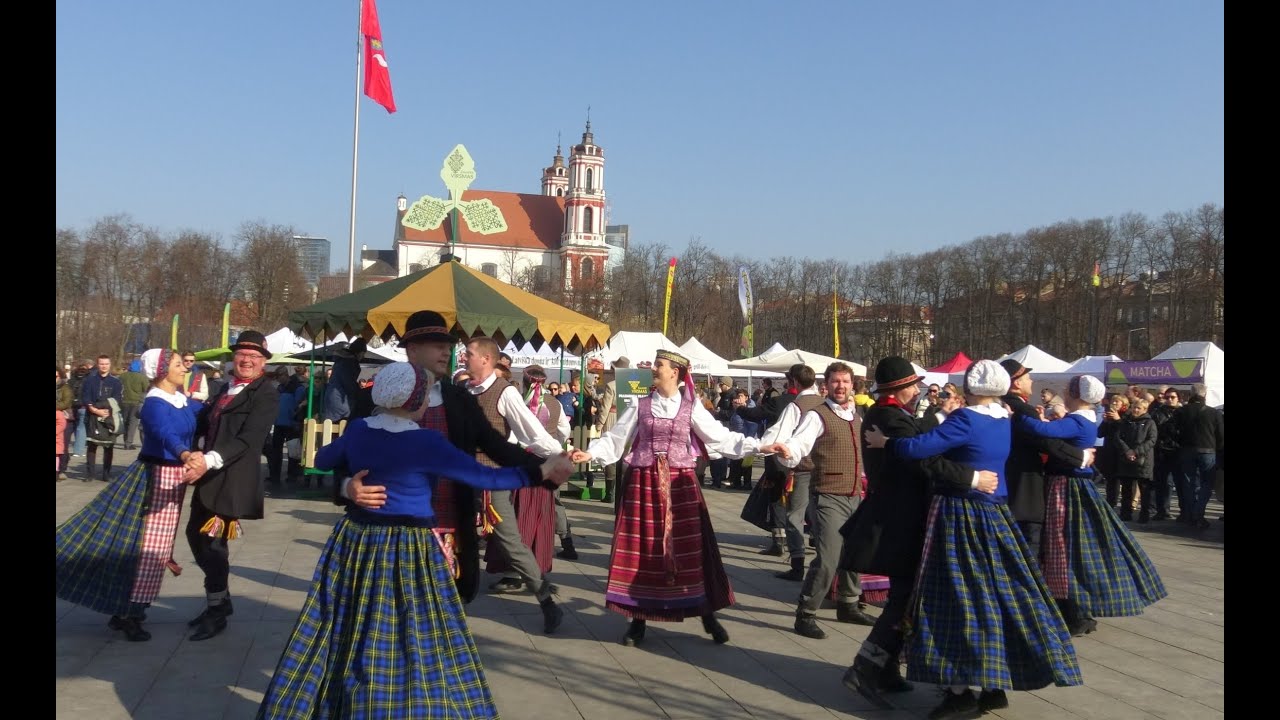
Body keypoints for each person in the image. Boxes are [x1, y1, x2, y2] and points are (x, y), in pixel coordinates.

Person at [256, 362, 573, 719]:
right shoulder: (426, 442)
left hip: (355, 541)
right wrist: (542, 471)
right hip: (408, 547)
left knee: (343, 623)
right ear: (417, 400)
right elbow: (485, 477)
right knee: (411, 631)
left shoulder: (360, 429)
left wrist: (349, 482)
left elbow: (324, 457)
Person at [864, 360, 1083, 718]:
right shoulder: (1003, 418)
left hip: (960, 514)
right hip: (996, 514)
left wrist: (887, 442)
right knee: (992, 595)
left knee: (953, 597)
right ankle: (993, 686)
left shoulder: (968, 419)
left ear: (970, 389)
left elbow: (916, 449)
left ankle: (960, 692)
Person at [345, 311, 567, 607]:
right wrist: (348, 486)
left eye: (448, 345)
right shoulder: (376, 398)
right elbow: (343, 456)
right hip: (384, 528)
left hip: (447, 528)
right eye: (437, 344)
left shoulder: (458, 398)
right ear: (412, 349)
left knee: (440, 612)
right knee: (386, 613)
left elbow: (496, 446)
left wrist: (546, 469)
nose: (447, 351)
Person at [572, 350, 761, 647]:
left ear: (675, 372)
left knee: (691, 550)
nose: (654, 369)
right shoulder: (641, 404)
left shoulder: (691, 406)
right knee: (644, 551)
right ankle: (638, 619)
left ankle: (707, 614)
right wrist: (591, 453)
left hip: (680, 485)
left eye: (659, 365)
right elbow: (617, 438)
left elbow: (719, 437)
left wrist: (758, 447)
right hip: (644, 482)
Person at [838, 357, 989, 708]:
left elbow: (919, 438)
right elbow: (921, 456)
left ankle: (886, 669)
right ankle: (866, 666)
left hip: (899, 514)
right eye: (913, 384)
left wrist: (937, 417)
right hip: (898, 518)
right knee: (904, 596)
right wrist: (971, 477)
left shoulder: (892, 414)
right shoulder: (888, 416)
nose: (918, 388)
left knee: (906, 595)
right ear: (897, 388)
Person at [56, 348, 205, 642]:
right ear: (162, 371)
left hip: (172, 478)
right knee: (148, 549)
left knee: (156, 548)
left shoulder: (180, 399)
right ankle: (129, 614)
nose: (185, 369)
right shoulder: (154, 403)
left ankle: (127, 611)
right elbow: (163, 432)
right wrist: (185, 453)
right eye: (179, 365)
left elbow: (203, 412)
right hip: (155, 476)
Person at [1016, 374, 1167, 637]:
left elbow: (1043, 432)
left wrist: (1020, 415)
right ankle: (1075, 610)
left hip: (1067, 487)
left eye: (1069, 389)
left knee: (1064, 547)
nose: (1065, 390)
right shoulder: (1081, 419)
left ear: (1078, 395)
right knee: (1074, 547)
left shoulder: (1077, 420)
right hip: (1074, 485)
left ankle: (1075, 612)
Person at [762, 362, 878, 639]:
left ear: (853, 385)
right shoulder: (818, 415)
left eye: (845, 382)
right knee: (827, 558)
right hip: (827, 494)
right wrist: (787, 452)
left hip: (854, 494)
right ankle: (806, 612)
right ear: (827, 384)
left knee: (854, 551)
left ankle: (848, 603)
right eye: (836, 381)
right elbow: (800, 443)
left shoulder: (857, 415)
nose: (841, 386)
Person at [464, 337, 569, 633]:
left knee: (509, 541)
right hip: (461, 477)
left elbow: (531, 432)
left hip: (492, 479)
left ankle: (547, 600)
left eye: (469, 353)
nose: (464, 356)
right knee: (452, 535)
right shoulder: (463, 391)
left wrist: (558, 456)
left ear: (486, 359)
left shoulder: (505, 392)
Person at [184, 330, 280, 641]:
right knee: (194, 537)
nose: (247, 360)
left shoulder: (266, 392)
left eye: (255, 356)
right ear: (233, 359)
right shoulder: (225, 388)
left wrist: (208, 459)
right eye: (242, 355)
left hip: (232, 478)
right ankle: (220, 600)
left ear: (263, 362)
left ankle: (216, 609)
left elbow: (250, 439)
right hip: (209, 475)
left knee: (212, 545)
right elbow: (206, 424)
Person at [1174, 384, 1224, 528]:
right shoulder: (1214, 413)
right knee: (1206, 484)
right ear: (1205, 394)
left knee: (1189, 483)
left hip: (1186, 450)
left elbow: (1173, 431)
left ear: (1190, 394)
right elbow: (1221, 435)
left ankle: (1191, 514)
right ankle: (1198, 513)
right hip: (1208, 450)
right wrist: (1219, 450)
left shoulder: (1181, 411)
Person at [1113, 397, 1157, 522]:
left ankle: (1144, 515)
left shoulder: (1150, 422)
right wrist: (1127, 450)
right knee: (1126, 489)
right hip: (1126, 459)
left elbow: (1151, 440)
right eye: (1134, 407)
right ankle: (1125, 513)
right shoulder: (1126, 421)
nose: (1135, 410)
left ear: (1144, 409)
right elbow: (1118, 437)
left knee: (1144, 489)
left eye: (1138, 408)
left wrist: (1136, 451)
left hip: (1143, 460)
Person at [82, 355, 123, 481]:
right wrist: (94, 409)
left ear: (110, 365)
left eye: (106, 364)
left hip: (108, 416)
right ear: (97, 364)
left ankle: (106, 474)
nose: (104, 366)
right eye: (101, 364)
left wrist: (105, 410)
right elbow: (86, 397)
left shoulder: (115, 382)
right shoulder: (90, 380)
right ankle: (90, 474)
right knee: (92, 445)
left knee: (108, 446)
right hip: (92, 416)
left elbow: (117, 399)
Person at [120, 358, 149, 449]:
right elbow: (146, 389)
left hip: (123, 401)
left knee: (125, 421)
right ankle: (128, 443)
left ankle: (125, 440)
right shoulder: (142, 377)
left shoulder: (122, 376)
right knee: (133, 423)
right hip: (136, 402)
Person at [57, 368, 75, 481]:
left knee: (62, 444)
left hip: (64, 418)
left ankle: (61, 469)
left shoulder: (65, 388)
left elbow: (66, 402)